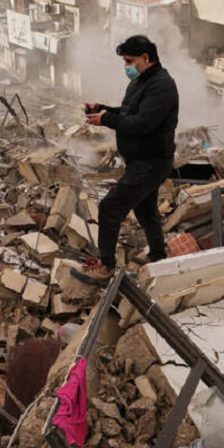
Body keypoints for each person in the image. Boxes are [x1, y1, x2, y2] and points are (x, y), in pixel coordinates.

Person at [75, 34, 180, 285]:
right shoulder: (142, 82)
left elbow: (142, 123)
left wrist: (106, 120)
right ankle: (158, 257)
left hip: (151, 162)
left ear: (146, 58)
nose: (126, 67)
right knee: (145, 210)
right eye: (124, 61)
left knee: (110, 208)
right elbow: (128, 112)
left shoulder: (161, 86)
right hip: (140, 160)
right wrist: (104, 109)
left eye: (129, 61)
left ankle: (105, 267)